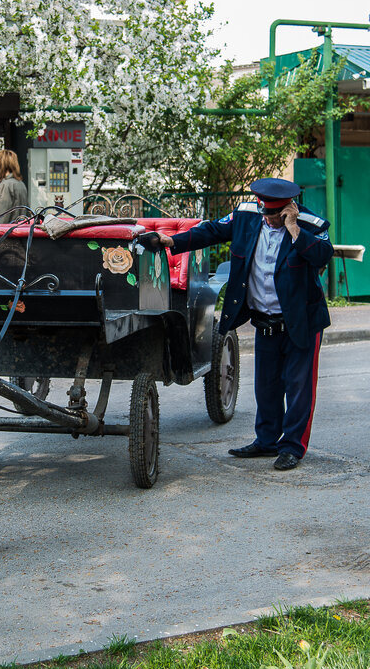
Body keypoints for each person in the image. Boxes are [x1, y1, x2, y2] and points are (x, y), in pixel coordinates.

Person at [140, 178, 333, 471]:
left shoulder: (310, 224)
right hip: (265, 321)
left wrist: (294, 229)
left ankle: (292, 446)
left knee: (298, 388)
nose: (271, 220)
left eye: (278, 216)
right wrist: (171, 241)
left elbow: (323, 254)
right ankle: (267, 441)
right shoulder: (245, 215)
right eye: (267, 214)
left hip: (301, 323)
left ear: (290, 209)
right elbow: (212, 231)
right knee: (266, 386)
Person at [0, 149, 28, 223]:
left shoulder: (6, 185)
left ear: (0, 164)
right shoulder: (21, 184)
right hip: (20, 230)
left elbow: (0, 217)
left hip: (7, 232)